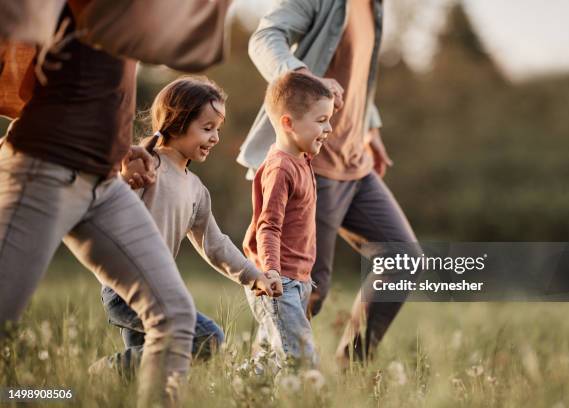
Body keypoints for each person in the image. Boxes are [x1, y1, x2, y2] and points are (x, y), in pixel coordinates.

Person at [0, 3, 230, 405]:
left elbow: (92, 83)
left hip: (103, 182)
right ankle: (39, 396)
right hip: (43, 168)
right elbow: (185, 48)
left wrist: (120, 146)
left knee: (176, 320)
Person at [237, 0, 422, 365]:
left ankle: (351, 368)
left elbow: (356, 75)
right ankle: (261, 379)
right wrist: (301, 74)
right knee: (305, 290)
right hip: (312, 167)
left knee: (403, 257)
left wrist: (370, 127)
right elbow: (264, 37)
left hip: (356, 162)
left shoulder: (374, 7)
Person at [93, 77, 283, 377]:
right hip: (126, 288)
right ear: (177, 122)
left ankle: (111, 381)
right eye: (207, 128)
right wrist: (125, 176)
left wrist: (254, 277)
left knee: (147, 377)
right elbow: (107, 206)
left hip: (157, 287)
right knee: (207, 339)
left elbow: (215, 244)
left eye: (217, 129)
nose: (216, 138)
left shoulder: (196, 190)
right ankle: (103, 372)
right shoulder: (145, 165)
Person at [243, 72, 334, 369]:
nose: (329, 128)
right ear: (288, 123)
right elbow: (267, 226)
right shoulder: (280, 168)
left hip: (297, 280)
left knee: (268, 360)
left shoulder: (302, 160)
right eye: (321, 121)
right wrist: (270, 270)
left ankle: (240, 393)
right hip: (278, 281)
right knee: (303, 363)